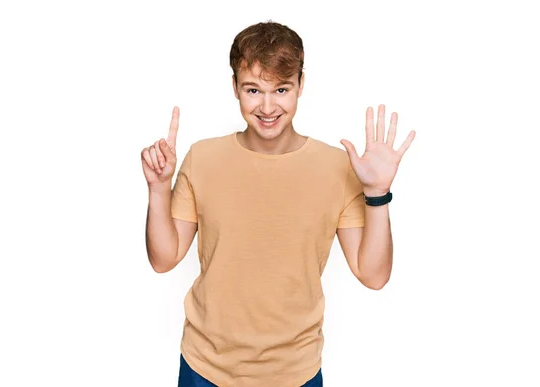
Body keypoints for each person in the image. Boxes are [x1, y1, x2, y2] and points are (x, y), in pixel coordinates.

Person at [142, 21, 415, 387]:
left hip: (296, 373)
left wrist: (377, 194)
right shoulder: (203, 158)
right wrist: (159, 188)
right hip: (205, 368)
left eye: (281, 89)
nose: (267, 106)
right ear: (235, 89)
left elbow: (374, 274)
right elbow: (164, 258)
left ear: (301, 85)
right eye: (253, 89)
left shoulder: (337, 167)